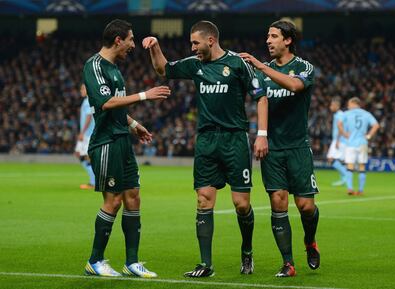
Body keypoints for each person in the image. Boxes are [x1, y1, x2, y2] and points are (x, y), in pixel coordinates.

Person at [142, 20, 269, 277]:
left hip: (235, 139)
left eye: (195, 43)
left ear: (211, 40)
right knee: (203, 201)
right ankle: (206, 264)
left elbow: (261, 95)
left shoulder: (237, 63)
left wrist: (262, 135)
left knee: (241, 204)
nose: (193, 48)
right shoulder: (195, 64)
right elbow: (163, 69)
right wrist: (154, 47)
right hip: (206, 141)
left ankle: (247, 252)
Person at [82, 19, 171, 277]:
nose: (133, 45)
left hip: (122, 138)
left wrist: (133, 124)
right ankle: (95, 261)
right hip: (106, 142)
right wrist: (145, 95)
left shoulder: (115, 69)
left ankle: (132, 262)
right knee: (114, 200)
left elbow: (118, 107)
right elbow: (106, 102)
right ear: (118, 39)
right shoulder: (94, 65)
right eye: (131, 39)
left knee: (133, 196)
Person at [239, 20, 320, 277]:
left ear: (288, 40)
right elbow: (261, 101)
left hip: (298, 146)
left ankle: (310, 241)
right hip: (273, 148)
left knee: (306, 206)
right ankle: (288, 262)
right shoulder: (264, 74)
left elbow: (295, 86)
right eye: (267, 36)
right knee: (278, 202)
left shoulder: (304, 67)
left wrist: (261, 66)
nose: (268, 41)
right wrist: (261, 135)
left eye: (273, 36)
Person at [338, 97, 379, 195]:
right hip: (362, 143)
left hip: (350, 144)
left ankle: (350, 189)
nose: (348, 106)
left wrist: (344, 133)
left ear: (353, 103)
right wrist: (368, 136)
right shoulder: (366, 114)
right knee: (362, 166)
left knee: (350, 166)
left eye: (349, 104)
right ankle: (360, 190)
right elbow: (376, 125)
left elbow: (339, 124)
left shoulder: (347, 113)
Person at [74, 83, 96, 189]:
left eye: (83, 88)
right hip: (87, 133)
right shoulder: (87, 100)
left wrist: (82, 132)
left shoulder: (88, 101)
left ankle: (93, 182)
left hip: (87, 134)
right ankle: (94, 180)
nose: (80, 90)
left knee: (86, 157)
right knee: (79, 154)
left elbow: (89, 117)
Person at [327, 97, 348, 186]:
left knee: (330, 158)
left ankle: (346, 176)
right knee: (337, 160)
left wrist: (338, 140)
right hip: (339, 140)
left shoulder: (340, 115)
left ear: (337, 106)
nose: (330, 107)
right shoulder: (338, 114)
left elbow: (340, 127)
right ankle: (344, 179)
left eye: (332, 105)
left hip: (339, 140)